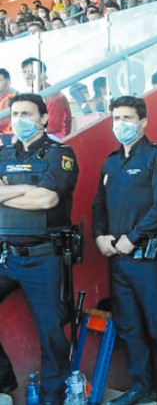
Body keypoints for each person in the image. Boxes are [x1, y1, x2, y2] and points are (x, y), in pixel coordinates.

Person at [92, 96, 157, 405]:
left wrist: (134, 236)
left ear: (143, 122)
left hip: (149, 259)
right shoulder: (111, 161)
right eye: (116, 118)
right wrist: (99, 236)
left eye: (127, 118)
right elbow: (99, 204)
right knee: (129, 326)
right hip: (117, 259)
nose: (120, 124)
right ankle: (142, 386)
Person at [0, 93, 80, 405]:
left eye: (27, 113)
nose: (19, 119)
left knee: (50, 334)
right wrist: (28, 190)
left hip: (45, 257)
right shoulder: (3, 153)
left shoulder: (60, 153)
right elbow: (36, 195)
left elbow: (47, 199)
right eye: (15, 113)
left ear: (44, 119)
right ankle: (4, 384)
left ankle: (52, 398)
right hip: (6, 255)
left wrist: (7, 191)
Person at [21, 58, 72, 139]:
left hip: (57, 138)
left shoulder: (51, 94)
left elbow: (54, 126)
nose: (27, 76)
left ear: (42, 75)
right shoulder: (34, 93)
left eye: (32, 72)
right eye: (25, 72)